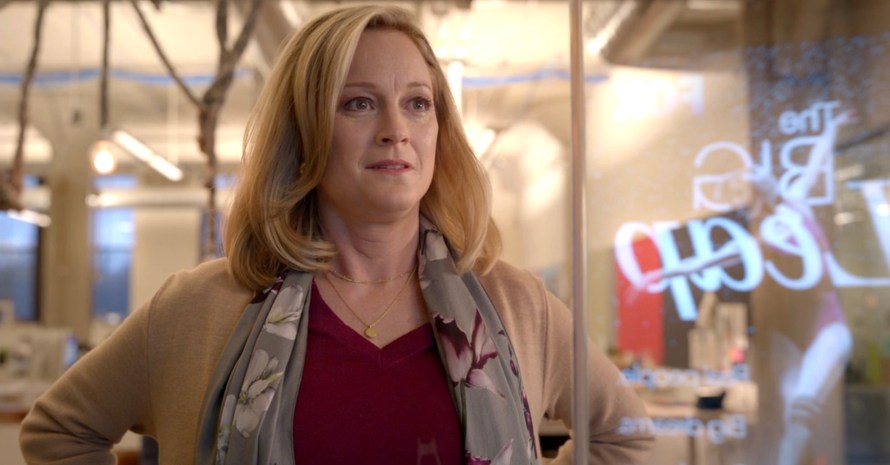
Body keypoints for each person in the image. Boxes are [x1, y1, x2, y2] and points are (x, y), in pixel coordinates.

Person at [19, 5, 653, 465]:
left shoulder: (516, 303)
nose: (396, 129)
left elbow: (625, 436)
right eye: (359, 103)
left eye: (418, 103)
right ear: (304, 134)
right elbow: (59, 432)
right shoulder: (197, 308)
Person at [630, 108, 855, 465]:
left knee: (800, 415)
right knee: (792, 417)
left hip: (829, 326)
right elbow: (705, 261)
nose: (760, 177)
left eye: (756, 175)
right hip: (795, 337)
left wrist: (832, 127)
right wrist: (656, 276)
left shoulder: (797, 203)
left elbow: (816, 162)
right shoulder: (760, 239)